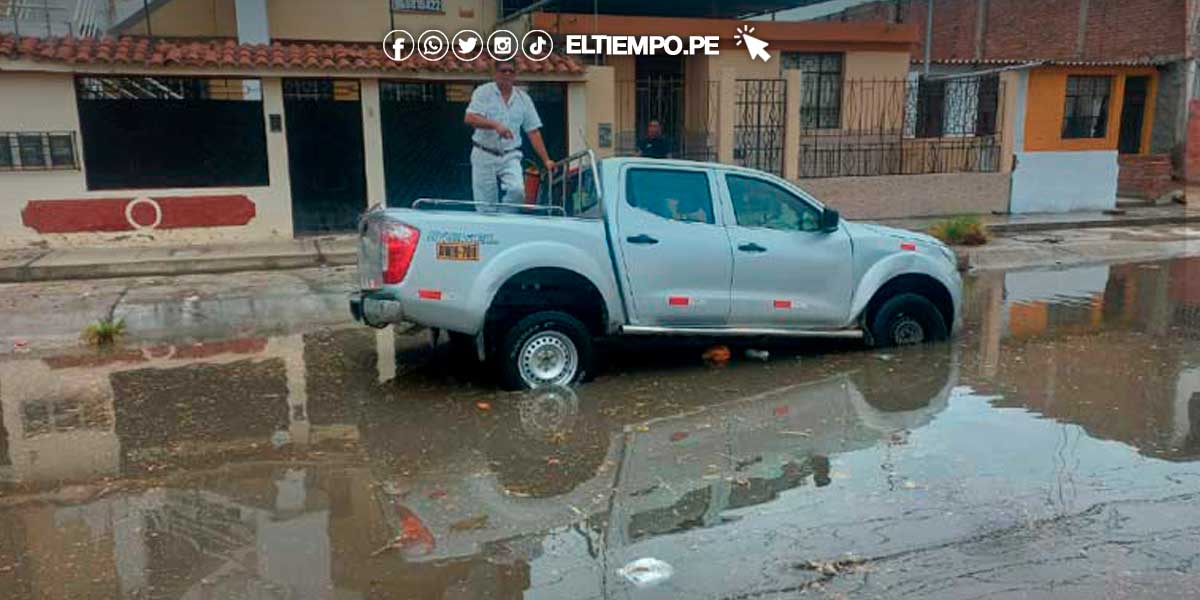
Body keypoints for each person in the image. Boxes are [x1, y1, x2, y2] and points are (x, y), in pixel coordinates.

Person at [464, 59, 555, 211]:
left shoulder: (523, 99)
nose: (507, 74)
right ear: (495, 73)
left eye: (510, 71)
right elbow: (470, 118)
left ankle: (504, 220)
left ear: (515, 75)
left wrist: (546, 160)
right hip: (483, 152)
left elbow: (533, 131)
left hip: (510, 154)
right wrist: (495, 125)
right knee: (485, 205)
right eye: (503, 70)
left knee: (517, 191)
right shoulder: (483, 92)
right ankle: (492, 228)